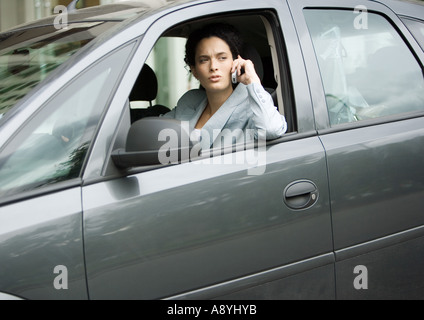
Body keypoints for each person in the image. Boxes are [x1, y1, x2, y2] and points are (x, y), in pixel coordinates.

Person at [162, 23, 287, 149]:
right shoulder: (190, 101)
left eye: (222, 58)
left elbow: (272, 130)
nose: (213, 67)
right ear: (194, 71)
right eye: (204, 60)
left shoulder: (253, 108)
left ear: (235, 63)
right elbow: (157, 132)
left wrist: (253, 80)